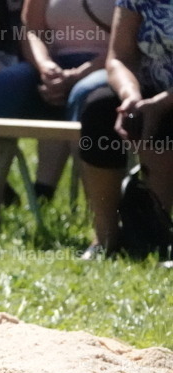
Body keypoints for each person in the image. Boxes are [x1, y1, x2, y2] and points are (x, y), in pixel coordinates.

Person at [0, 0, 114, 201]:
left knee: (84, 92)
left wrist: (77, 75)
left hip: (110, 68)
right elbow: (31, 30)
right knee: (4, 84)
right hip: (54, 66)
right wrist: (46, 67)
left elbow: (129, 42)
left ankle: (99, 213)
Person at [77, 0, 173, 256]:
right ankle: (105, 238)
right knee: (99, 109)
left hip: (165, 99)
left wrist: (161, 104)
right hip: (149, 91)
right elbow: (119, 57)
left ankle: (157, 236)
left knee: (166, 123)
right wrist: (131, 98)